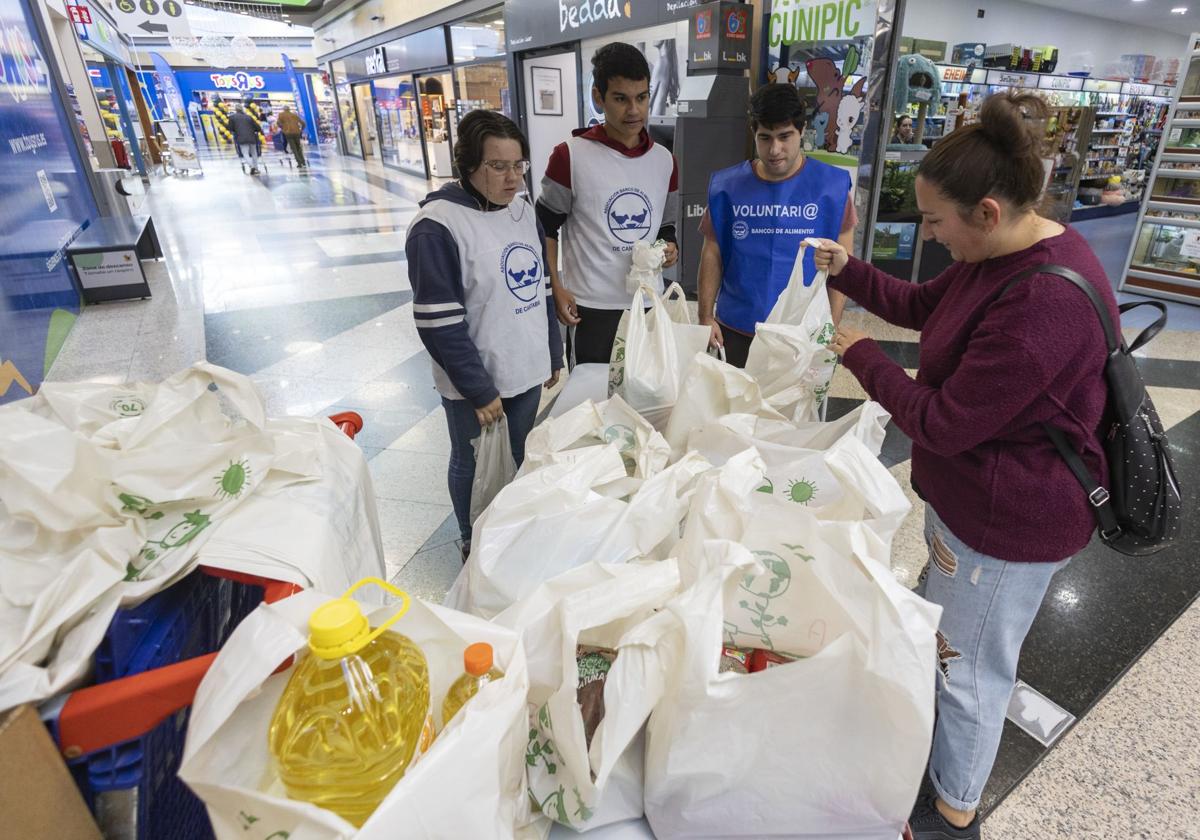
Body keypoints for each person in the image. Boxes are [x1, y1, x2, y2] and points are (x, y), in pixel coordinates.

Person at [809, 91, 1118, 840]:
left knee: (971, 669)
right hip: (974, 505)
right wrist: (848, 270)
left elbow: (938, 423)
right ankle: (938, 769)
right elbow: (922, 305)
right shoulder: (1000, 254)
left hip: (1008, 523)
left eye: (936, 221)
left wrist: (861, 356)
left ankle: (955, 810)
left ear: (986, 210)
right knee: (947, 646)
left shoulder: (1042, 304)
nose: (930, 235)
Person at [406, 110, 564, 560]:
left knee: (516, 451)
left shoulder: (521, 208)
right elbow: (439, 321)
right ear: (468, 165)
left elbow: (541, 285)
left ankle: (508, 531)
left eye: (519, 165)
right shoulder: (436, 226)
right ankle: (473, 539)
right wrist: (477, 389)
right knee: (473, 462)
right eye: (498, 166)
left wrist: (552, 350)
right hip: (477, 379)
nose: (512, 178)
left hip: (526, 364)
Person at [536, 42, 680, 366]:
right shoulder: (569, 156)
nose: (634, 110)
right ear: (599, 98)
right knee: (592, 402)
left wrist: (669, 247)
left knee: (647, 400)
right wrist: (555, 286)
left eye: (641, 97)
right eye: (620, 99)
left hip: (647, 302)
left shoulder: (665, 161)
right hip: (591, 308)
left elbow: (665, 228)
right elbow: (544, 228)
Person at [698, 83, 856, 368]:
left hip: (803, 331)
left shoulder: (831, 188)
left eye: (785, 136)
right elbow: (712, 253)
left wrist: (831, 324)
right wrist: (705, 317)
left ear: (802, 130)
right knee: (734, 409)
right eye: (765, 138)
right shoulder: (727, 188)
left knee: (792, 413)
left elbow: (843, 268)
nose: (775, 149)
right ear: (753, 134)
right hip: (737, 327)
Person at [228, 104, 261, 175]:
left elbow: (230, 128)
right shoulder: (248, 117)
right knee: (254, 153)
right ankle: (256, 168)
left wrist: (235, 131)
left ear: (235, 109)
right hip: (252, 137)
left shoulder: (232, 117)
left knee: (245, 153)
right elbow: (257, 127)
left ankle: (252, 166)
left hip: (241, 138)